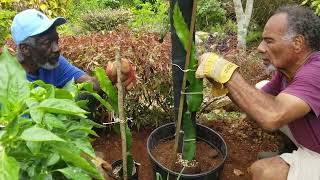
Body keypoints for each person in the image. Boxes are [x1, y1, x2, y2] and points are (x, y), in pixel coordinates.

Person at [196, 5, 320, 180]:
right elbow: (256, 106)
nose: (260, 48)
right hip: (312, 140)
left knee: (263, 172)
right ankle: (293, 150)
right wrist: (225, 84)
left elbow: (271, 116)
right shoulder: (286, 72)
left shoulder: (316, 71)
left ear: (297, 43)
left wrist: (228, 74)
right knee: (261, 89)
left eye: (269, 41)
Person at [10, 9, 135, 92]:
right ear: (25, 49)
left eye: (56, 41)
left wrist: (112, 75)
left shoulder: (54, 63)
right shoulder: (6, 80)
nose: (57, 49)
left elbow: (91, 84)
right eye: (47, 43)